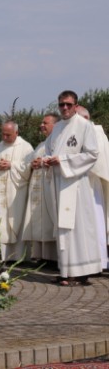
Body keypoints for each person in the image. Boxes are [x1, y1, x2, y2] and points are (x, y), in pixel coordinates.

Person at [43, 90, 102, 286]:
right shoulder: (58, 127)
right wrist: (45, 161)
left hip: (76, 184)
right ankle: (66, 271)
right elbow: (51, 151)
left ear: (76, 106)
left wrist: (63, 161)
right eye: (61, 105)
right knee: (63, 230)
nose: (65, 108)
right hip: (60, 185)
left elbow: (92, 154)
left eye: (68, 104)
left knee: (78, 230)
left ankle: (82, 271)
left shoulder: (84, 126)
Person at [0, 121, 34, 261]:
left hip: (16, 192)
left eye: (8, 135)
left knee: (17, 221)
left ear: (16, 133)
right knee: (1, 222)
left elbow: (29, 168)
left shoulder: (26, 147)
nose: (5, 137)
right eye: (3, 134)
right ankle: (2, 255)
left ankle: (19, 256)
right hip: (0, 192)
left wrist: (11, 165)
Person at [22, 113, 60, 263]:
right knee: (39, 222)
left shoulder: (58, 142)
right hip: (38, 186)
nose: (41, 125)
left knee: (50, 221)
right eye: (41, 123)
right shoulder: (40, 145)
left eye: (45, 123)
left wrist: (43, 163)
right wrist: (32, 165)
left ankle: (53, 257)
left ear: (55, 125)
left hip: (50, 187)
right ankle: (42, 255)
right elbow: (28, 163)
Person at [75, 105, 109, 270]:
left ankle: (98, 261)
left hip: (90, 185)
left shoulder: (95, 133)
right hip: (79, 183)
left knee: (93, 223)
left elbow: (96, 160)